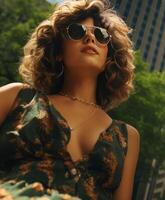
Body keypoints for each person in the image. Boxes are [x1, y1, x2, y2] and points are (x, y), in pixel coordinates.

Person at [0, 0, 140, 199]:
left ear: (108, 59)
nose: (90, 36)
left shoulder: (127, 137)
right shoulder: (16, 97)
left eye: (101, 35)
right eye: (77, 31)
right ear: (58, 52)